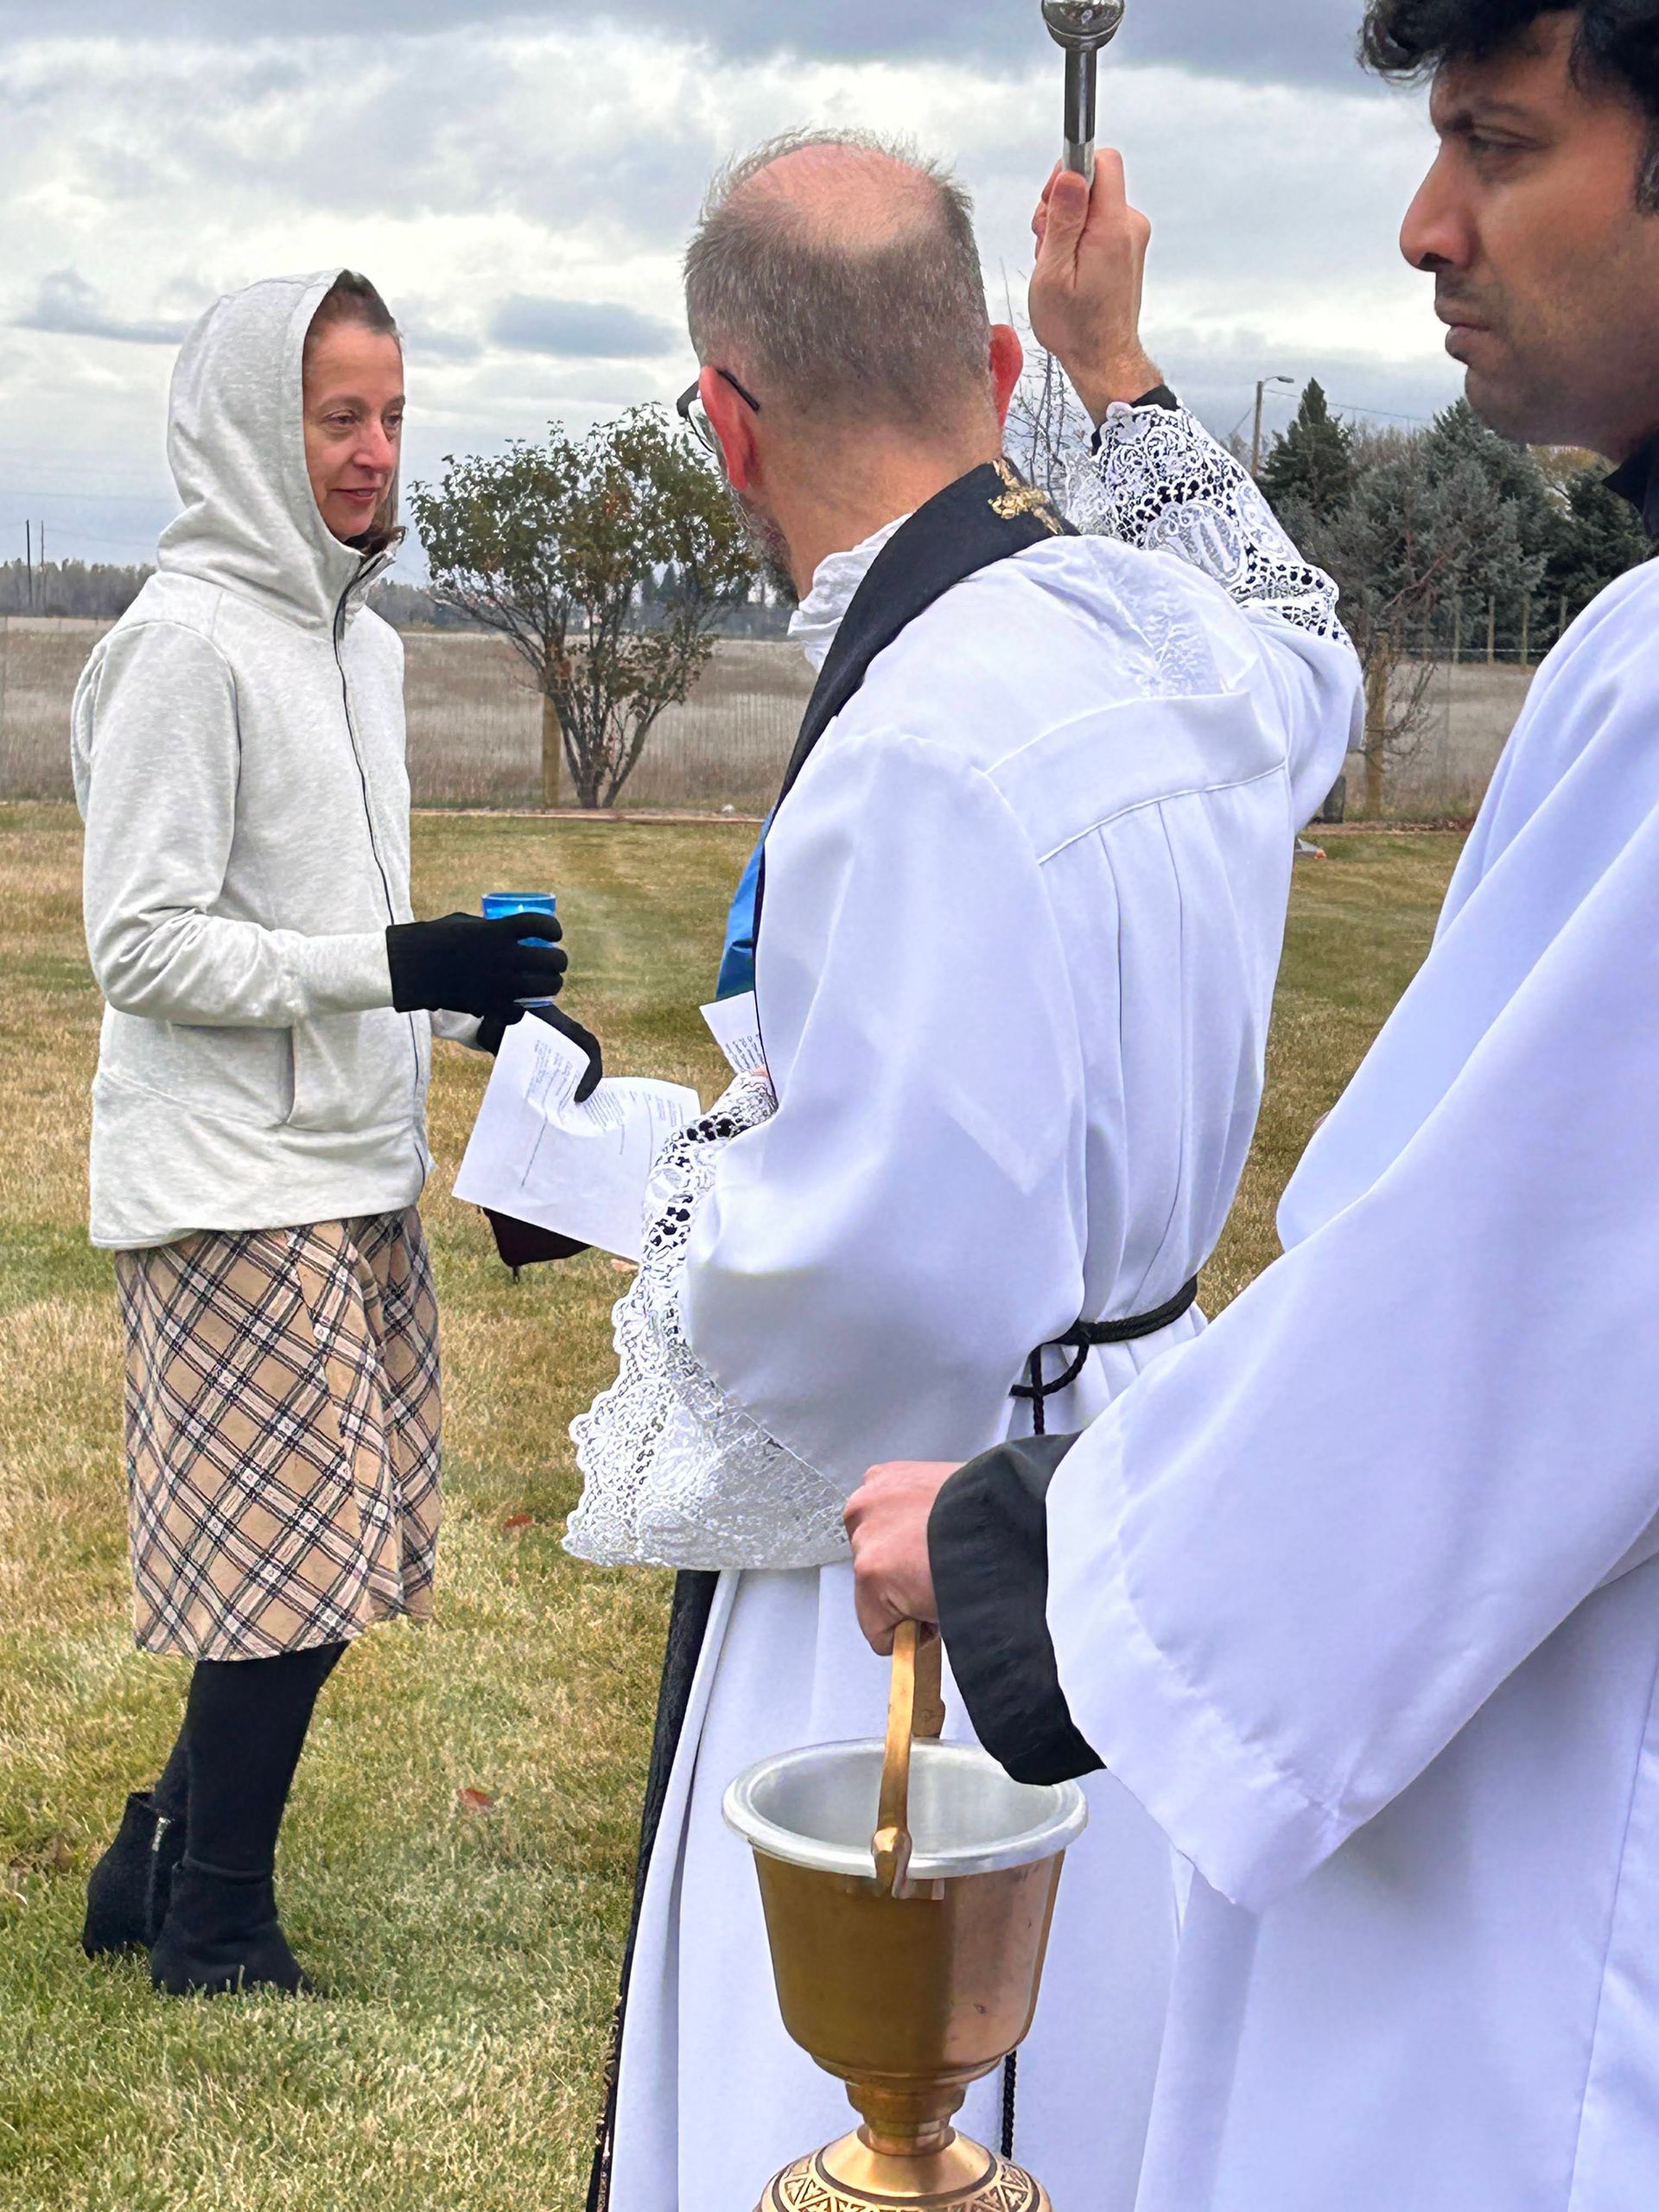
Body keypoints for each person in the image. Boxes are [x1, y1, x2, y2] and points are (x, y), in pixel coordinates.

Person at [846, 8, 1659, 2206]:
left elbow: (1517, 1310)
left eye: (1501, 144)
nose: (1427, 225)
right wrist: (1118, 381)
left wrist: (1034, 1551)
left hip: (1561, 1862)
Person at [566, 130, 1359, 2210]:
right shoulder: (1180, 638)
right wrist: (1128, 375)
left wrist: (689, 1190)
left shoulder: (914, 746)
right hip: (1136, 1479)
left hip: (927, 1552)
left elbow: (876, 1289)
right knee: (1117, 2061)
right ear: (997, 367)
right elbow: (1312, 643)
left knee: (873, 2100)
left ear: (728, 422)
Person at [73, 269, 594, 1998]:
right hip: (230, 1177)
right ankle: (215, 1922)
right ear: (252, 424)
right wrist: (391, 962)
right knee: (291, 1565)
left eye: (391, 414)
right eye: (337, 416)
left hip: (353, 1164)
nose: (374, 450)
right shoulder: (181, 644)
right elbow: (142, 944)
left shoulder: (361, 644)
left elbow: (347, 919)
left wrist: (481, 1006)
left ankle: (156, 1855)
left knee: (314, 1550)